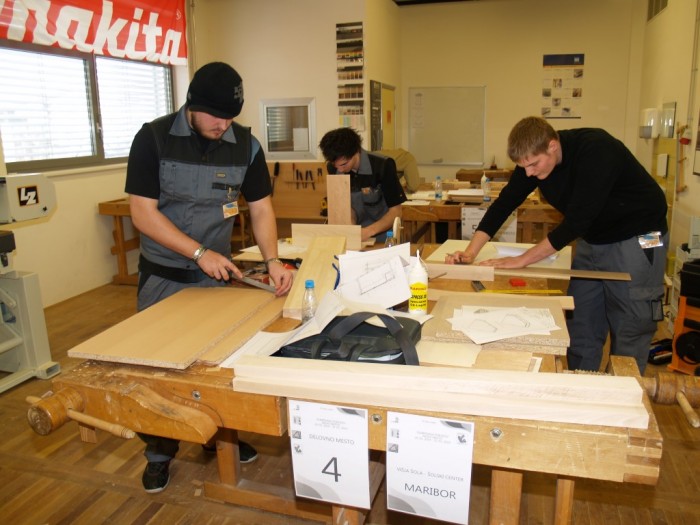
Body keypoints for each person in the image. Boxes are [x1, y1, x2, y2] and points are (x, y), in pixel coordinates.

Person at [125, 61, 293, 494]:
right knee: (160, 369)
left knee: (214, 366)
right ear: (192, 106)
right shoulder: (154, 138)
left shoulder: (246, 146)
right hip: (164, 276)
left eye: (230, 117)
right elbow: (142, 213)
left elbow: (261, 208)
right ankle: (159, 452)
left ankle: (218, 437)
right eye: (216, 116)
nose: (223, 125)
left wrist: (273, 260)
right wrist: (198, 253)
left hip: (214, 277)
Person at [446, 116, 668, 374]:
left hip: (642, 236)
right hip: (594, 238)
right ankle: (581, 385)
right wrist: (470, 252)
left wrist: (522, 259)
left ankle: (625, 388)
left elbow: (576, 223)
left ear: (552, 146)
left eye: (533, 165)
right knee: (581, 321)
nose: (529, 173)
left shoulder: (597, 151)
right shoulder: (533, 158)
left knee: (631, 323)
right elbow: (505, 203)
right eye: (523, 167)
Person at [319, 127, 407, 242]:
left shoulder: (383, 166)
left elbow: (396, 212)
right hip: (355, 236)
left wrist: (368, 232)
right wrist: (351, 225)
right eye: (335, 165)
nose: (340, 169)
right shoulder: (334, 168)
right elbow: (347, 204)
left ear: (356, 151)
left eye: (344, 164)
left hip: (384, 237)